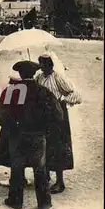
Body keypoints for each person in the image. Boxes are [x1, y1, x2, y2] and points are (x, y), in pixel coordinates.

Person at [0, 61, 63, 209]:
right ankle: (44, 203)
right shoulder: (43, 91)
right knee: (40, 168)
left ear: (20, 74)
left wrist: (12, 127)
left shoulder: (11, 91)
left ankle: (16, 201)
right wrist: (45, 128)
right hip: (38, 135)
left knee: (17, 168)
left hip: (17, 135)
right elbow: (58, 114)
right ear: (34, 74)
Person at [36, 53, 82, 194]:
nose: (42, 66)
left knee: (58, 147)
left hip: (57, 116)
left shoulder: (58, 77)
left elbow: (75, 94)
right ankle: (47, 176)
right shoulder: (39, 77)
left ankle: (60, 182)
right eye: (40, 63)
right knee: (44, 145)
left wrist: (61, 100)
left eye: (45, 63)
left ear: (51, 64)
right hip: (44, 115)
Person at [0, 72, 31, 187]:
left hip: (9, 127)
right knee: (23, 153)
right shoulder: (27, 92)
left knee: (12, 154)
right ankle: (22, 178)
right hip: (24, 127)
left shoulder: (8, 91)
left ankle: (13, 180)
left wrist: (4, 124)